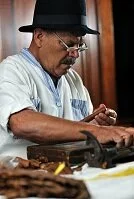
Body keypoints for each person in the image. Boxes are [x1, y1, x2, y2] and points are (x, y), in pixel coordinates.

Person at [0, 0, 133, 159]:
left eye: (79, 46)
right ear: (39, 36)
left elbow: (77, 133)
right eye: (69, 45)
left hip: (71, 172)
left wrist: (96, 125)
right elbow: (22, 123)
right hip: (24, 178)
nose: (76, 54)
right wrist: (97, 132)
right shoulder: (12, 70)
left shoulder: (73, 80)